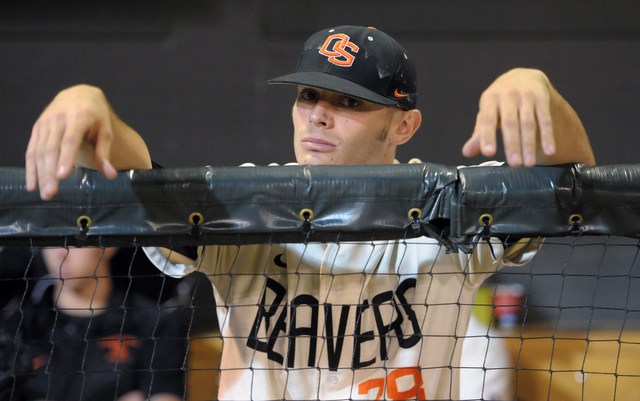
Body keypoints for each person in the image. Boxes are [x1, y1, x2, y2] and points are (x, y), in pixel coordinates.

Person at [24, 25, 595, 400]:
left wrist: (535, 86)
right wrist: (89, 105)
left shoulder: (447, 202)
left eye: (349, 102)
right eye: (308, 95)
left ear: (404, 124)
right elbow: (146, 177)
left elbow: (571, 179)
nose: (318, 115)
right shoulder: (249, 201)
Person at [8, 247, 187, 401]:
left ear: (108, 245)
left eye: (74, 241)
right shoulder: (18, 328)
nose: (60, 253)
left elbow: (166, 395)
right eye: (51, 240)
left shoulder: (155, 324)